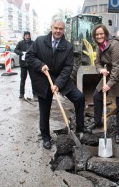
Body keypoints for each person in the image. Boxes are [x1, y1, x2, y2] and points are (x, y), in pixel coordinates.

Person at [25, 17, 91, 150]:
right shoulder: (40, 41)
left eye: (61, 29)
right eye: (56, 28)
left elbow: (68, 67)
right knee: (44, 110)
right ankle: (46, 137)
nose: (58, 31)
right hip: (44, 79)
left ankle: (80, 127)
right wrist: (40, 65)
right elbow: (29, 57)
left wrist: (58, 84)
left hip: (61, 78)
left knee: (79, 97)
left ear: (63, 30)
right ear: (52, 27)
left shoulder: (67, 46)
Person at [87, 24, 119, 144]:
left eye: (101, 33)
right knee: (97, 96)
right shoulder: (99, 47)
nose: (99, 36)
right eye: (97, 34)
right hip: (110, 72)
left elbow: (117, 67)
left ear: (106, 34)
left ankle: (118, 132)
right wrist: (100, 69)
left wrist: (109, 84)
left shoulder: (115, 45)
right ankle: (97, 122)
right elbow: (97, 62)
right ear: (94, 36)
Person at [14, 31, 36, 100]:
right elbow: (15, 50)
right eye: (26, 35)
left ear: (30, 36)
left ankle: (35, 94)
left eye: (28, 35)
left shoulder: (33, 43)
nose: (27, 37)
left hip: (31, 64)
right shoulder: (20, 43)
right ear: (24, 36)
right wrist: (21, 53)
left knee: (33, 80)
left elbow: (36, 51)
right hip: (23, 65)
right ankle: (21, 94)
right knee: (23, 80)